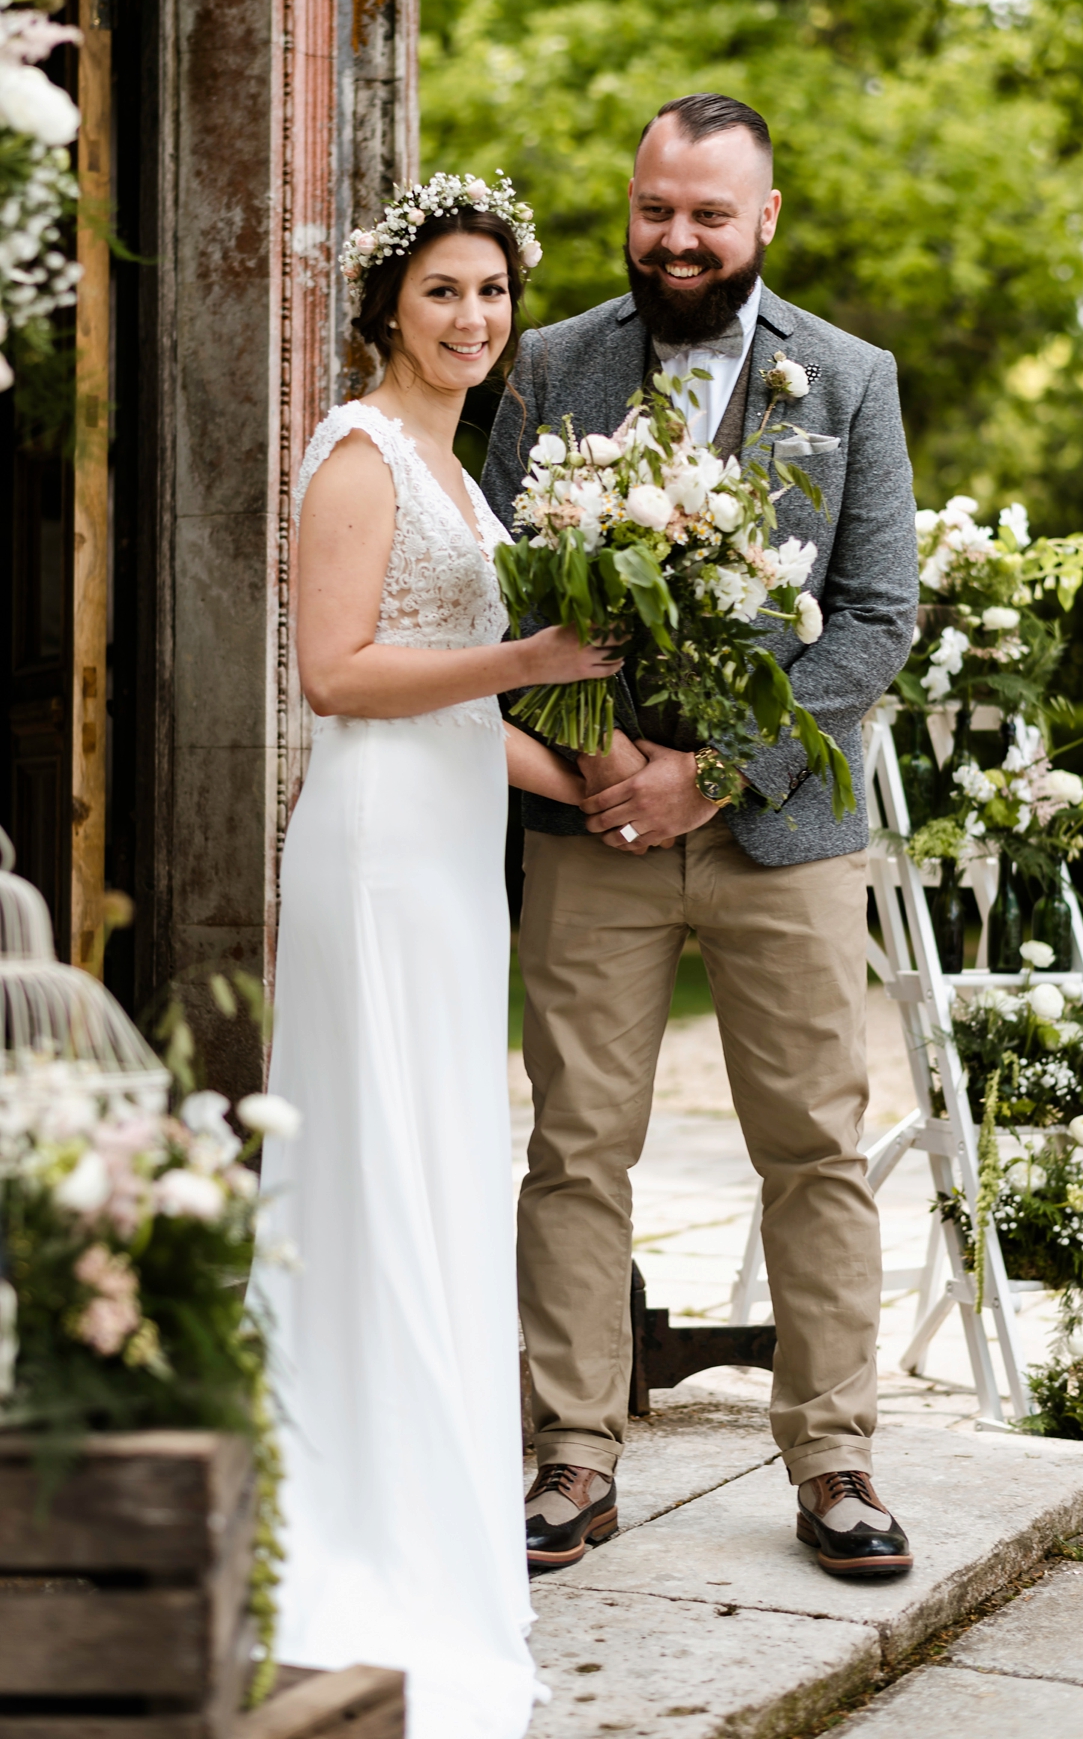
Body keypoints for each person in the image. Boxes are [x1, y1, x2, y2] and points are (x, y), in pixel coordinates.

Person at [482, 95, 919, 1579]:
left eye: (709, 216)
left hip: (785, 836)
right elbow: (505, 597)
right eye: (657, 207)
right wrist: (608, 772)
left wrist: (709, 774)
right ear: (632, 200)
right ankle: (572, 1453)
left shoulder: (850, 381)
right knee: (574, 1146)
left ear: (765, 221)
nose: (678, 238)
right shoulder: (550, 365)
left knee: (813, 1147)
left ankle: (838, 1457)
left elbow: (875, 617)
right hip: (592, 830)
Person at [251, 173, 622, 1738]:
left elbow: (465, 704)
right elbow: (338, 674)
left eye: (493, 295)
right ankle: (349, 1529)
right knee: (377, 1167)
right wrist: (535, 661)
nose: (473, 319)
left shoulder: (459, 474)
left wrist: (595, 782)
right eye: (445, 292)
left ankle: (429, 1503)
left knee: (443, 1164)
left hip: (455, 850)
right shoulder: (356, 452)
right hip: (375, 853)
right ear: (388, 305)